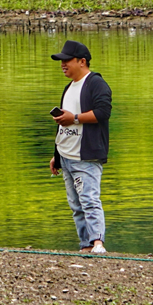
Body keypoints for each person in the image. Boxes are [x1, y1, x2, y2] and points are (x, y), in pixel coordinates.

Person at [49, 39, 112, 254]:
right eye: (61, 61)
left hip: (86, 155)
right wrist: (56, 156)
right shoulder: (69, 87)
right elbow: (63, 125)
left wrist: (75, 118)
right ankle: (85, 244)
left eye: (67, 61)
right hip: (66, 155)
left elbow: (103, 112)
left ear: (82, 61)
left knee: (89, 199)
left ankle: (98, 243)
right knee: (76, 205)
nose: (63, 65)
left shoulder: (95, 83)